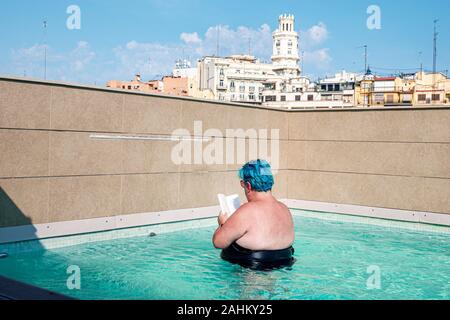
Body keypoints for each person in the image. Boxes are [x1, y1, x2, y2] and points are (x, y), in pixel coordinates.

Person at [212, 160, 295, 270]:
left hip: (253, 276)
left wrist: (222, 223)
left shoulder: (247, 211)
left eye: (243, 184)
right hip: (285, 267)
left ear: (248, 185)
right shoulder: (284, 209)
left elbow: (218, 242)